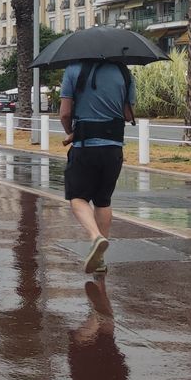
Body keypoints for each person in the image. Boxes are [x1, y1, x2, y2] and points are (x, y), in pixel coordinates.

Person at [59, 59, 136, 274]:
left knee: (78, 197)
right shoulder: (124, 71)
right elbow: (128, 114)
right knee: (103, 200)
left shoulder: (73, 69)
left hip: (85, 146)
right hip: (113, 148)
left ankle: (96, 237)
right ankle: (100, 260)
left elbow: (65, 113)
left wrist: (70, 130)